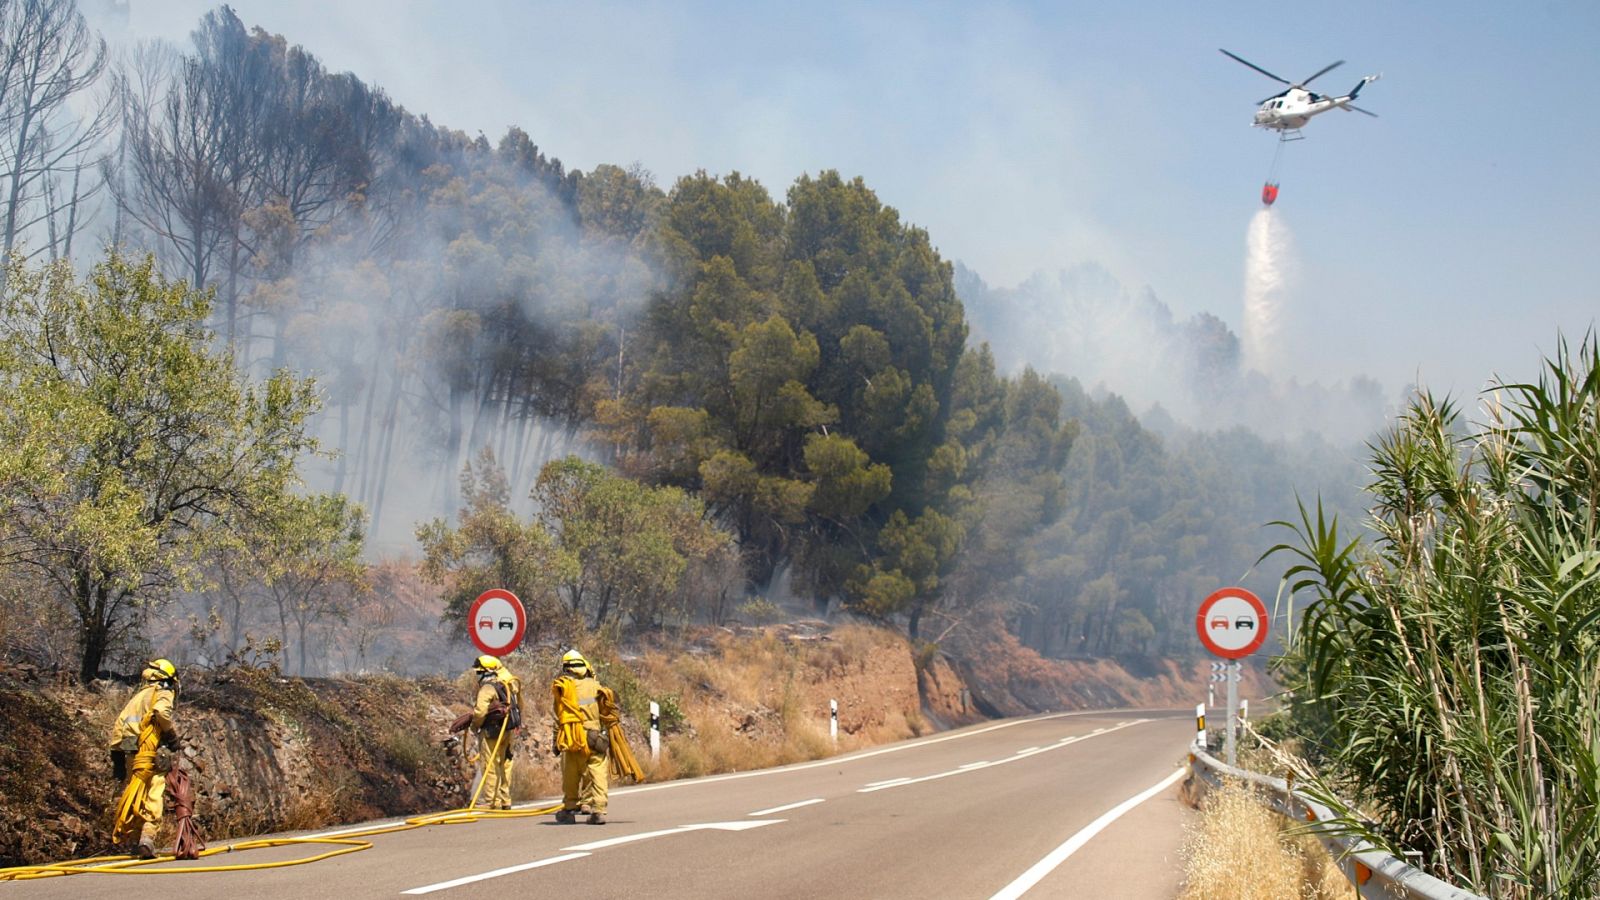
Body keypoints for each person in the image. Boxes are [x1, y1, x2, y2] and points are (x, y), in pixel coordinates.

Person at [109, 659, 181, 858]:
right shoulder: (163, 692)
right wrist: (171, 735)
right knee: (153, 792)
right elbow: (161, 712)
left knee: (136, 793)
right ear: (168, 679)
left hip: (132, 753)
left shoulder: (137, 698)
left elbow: (118, 726)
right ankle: (147, 838)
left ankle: (134, 841)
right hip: (150, 752)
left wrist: (116, 757)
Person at [551, 649, 614, 824]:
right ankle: (599, 810)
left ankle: (569, 809)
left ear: (567, 668)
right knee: (597, 771)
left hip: (572, 737)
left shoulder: (562, 687)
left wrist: (556, 741)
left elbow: (559, 717)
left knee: (571, 773)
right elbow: (606, 712)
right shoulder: (596, 686)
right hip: (594, 737)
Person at [469, 655, 522, 810]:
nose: (477, 676)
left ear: (486, 672)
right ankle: (505, 800)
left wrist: (474, 726)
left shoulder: (487, 688)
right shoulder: (507, 685)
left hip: (491, 732)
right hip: (507, 731)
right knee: (505, 764)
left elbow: (480, 712)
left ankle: (491, 801)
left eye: (479, 672)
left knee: (490, 765)